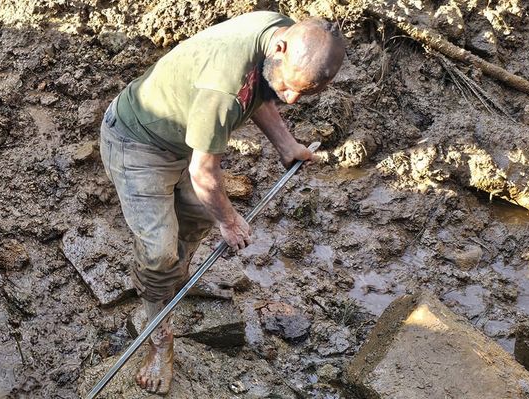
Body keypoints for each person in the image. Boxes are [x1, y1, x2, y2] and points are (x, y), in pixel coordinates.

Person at [98, 11, 346, 394]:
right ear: (281, 48)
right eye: (289, 86)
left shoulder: (279, 36)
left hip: (182, 138)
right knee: (159, 251)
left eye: (304, 93)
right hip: (136, 143)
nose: (291, 98)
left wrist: (286, 144)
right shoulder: (225, 85)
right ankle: (159, 336)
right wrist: (229, 222)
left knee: (199, 213)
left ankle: (171, 282)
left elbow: (258, 91)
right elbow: (204, 173)